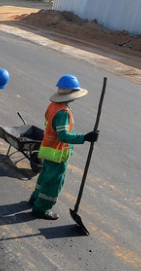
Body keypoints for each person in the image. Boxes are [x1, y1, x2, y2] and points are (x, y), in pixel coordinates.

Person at [28, 74, 99, 220]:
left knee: (44, 177)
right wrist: (85, 137)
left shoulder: (53, 106)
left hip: (47, 149)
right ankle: (42, 209)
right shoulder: (63, 113)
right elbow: (63, 136)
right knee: (53, 182)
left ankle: (35, 199)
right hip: (57, 153)